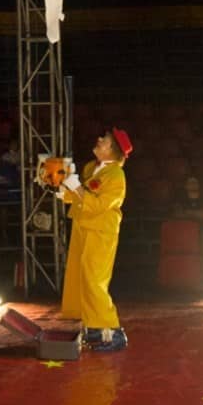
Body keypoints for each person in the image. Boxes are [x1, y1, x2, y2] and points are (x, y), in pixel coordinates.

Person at [60, 127, 132, 353]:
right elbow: (81, 196)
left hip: (101, 231)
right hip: (84, 226)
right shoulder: (91, 168)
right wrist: (61, 188)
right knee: (81, 276)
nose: (99, 140)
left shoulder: (116, 176)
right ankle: (93, 326)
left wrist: (76, 188)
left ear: (113, 151)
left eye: (105, 140)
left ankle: (112, 330)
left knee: (94, 279)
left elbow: (100, 204)